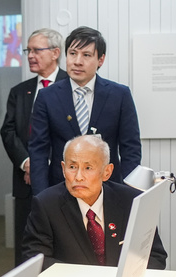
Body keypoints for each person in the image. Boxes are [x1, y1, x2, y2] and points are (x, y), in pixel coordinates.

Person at [21, 135, 167, 271]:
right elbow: (35, 261)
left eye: (88, 168)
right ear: (63, 169)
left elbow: (155, 256)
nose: (78, 177)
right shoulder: (46, 205)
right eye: (72, 167)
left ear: (107, 172)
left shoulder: (131, 201)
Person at [29, 26, 141, 196]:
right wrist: (41, 196)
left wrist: (126, 192)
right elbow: (39, 151)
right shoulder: (47, 97)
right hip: (61, 190)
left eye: (86, 55)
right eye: (73, 53)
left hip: (108, 189)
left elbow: (130, 149)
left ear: (101, 59)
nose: (77, 61)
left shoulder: (119, 95)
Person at [0, 28, 68, 266]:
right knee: (26, 245)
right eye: (28, 50)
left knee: (62, 243)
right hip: (25, 182)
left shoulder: (71, 85)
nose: (30, 55)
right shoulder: (20, 92)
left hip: (63, 181)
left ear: (55, 53)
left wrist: (43, 163)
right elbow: (7, 131)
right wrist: (28, 162)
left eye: (37, 50)